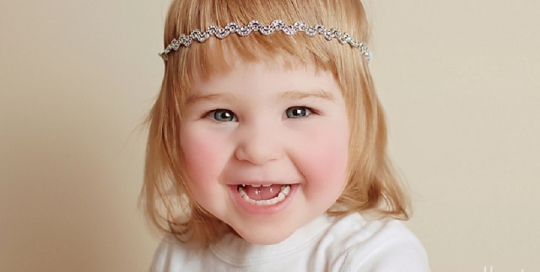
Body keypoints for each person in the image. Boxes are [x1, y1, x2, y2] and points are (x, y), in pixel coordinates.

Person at [141, 0, 430, 271]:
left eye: (298, 112)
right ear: (173, 129)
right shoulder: (178, 256)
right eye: (222, 115)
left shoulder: (375, 255)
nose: (258, 150)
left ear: (356, 125)